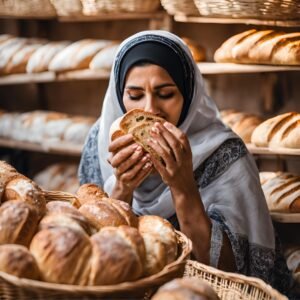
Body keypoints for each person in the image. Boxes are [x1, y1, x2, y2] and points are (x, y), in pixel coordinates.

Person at [78, 30, 292, 295]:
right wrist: (122, 187)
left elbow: (235, 273)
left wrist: (183, 187)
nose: (149, 109)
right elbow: (88, 246)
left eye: (165, 94)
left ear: (189, 94)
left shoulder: (224, 152)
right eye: (134, 95)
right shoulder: (100, 142)